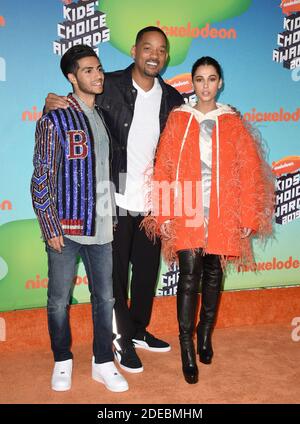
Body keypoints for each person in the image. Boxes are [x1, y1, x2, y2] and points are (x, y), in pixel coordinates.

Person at [45, 26, 184, 373]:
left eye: (162, 50)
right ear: (135, 50)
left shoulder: (172, 99)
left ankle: (137, 331)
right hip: (113, 195)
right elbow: (77, 108)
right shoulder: (111, 86)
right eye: (148, 48)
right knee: (115, 276)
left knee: (146, 273)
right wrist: (52, 101)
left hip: (152, 199)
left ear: (166, 56)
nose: (155, 55)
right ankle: (120, 340)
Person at [142, 56, 274, 384]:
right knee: (189, 276)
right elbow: (164, 166)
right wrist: (165, 212)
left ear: (220, 83)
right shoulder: (179, 119)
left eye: (211, 79)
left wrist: (246, 215)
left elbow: (249, 170)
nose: (205, 86)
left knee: (213, 275)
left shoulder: (231, 120)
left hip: (221, 210)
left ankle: (204, 334)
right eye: (199, 79)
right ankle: (186, 347)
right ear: (193, 83)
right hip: (187, 205)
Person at [31, 45, 128, 392]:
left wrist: (112, 213)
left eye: (99, 68)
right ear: (72, 78)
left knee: (105, 298)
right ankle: (62, 359)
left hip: (102, 226)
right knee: (59, 298)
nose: (97, 75)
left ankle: (103, 360)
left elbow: (106, 172)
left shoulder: (102, 116)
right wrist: (49, 224)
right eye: (88, 70)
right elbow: (41, 175)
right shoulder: (54, 117)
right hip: (65, 230)